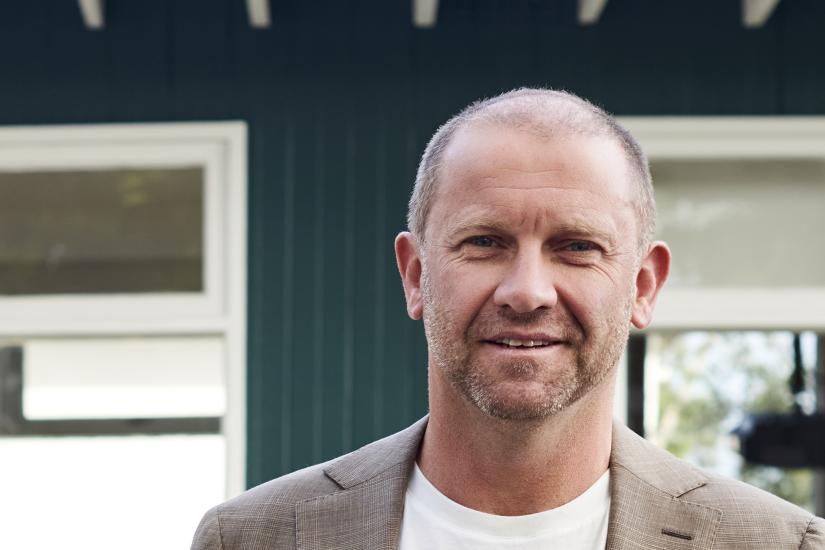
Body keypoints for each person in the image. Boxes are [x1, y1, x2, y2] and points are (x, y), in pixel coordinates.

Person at [191, 88, 825, 549]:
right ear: (416, 276)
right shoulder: (253, 539)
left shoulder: (778, 544)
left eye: (576, 247)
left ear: (642, 285)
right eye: (484, 243)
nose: (527, 293)